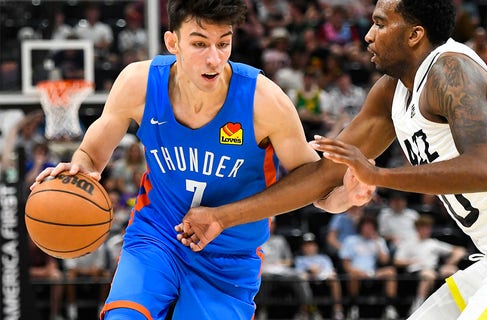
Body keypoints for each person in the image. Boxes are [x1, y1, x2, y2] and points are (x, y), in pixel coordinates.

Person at [177, 1, 487, 319]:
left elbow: (486, 170)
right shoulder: (390, 94)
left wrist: (379, 174)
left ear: (414, 34)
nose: (368, 35)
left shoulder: (450, 70)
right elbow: (323, 177)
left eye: (381, 23)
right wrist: (223, 216)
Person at [32, 1, 372, 319]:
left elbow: (315, 185)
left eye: (223, 44)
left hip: (229, 260)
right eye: (199, 44)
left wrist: (347, 196)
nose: (213, 59)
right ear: (172, 42)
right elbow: (92, 153)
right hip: (157, 237)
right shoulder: (139, 83)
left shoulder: (263, 101)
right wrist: (80, 169)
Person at [394, 215, 466, 315]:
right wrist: (411, 261)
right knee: (428, 275)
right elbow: (397, 261)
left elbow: (459, 250)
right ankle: (418, 306)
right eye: (423, 227)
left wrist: (452, 261)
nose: (425, 230)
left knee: (452, 270)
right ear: (417, 228)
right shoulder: (408, 243)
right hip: (415, 271)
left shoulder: (433, 243)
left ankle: (454, 302)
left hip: (433, 269)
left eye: (427, 227)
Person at [294, 232, 345, 320]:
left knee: (334, 279)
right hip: (309, 282)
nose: (310, 248)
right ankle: (306, 311)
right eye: (306, 246)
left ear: (316, 246)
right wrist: (310, 272)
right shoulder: (299, 259)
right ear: (302, 247)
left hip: (324, 282)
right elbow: (299, 273)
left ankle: (337, 310)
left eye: (312, 245)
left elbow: (330, 271)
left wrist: (319, 271)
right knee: (301, 280)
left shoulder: (324, 258)